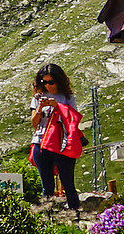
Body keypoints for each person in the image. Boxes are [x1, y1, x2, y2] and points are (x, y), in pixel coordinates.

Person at [27, 63, 83, 214]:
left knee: (68, 182)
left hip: (61, 144)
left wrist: (57, 106)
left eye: (50, 82)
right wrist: (39, 109)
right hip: (41, 142)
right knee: (47, 185)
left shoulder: (67, 97)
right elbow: (34, 123)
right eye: (43, 82)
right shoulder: (37, 97)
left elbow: (73, 119)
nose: (47, 85)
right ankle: (48, 216)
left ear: (58, 81)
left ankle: (75, 214)